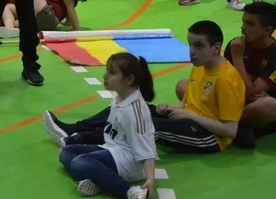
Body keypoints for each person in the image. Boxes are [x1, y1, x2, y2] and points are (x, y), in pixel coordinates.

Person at [46, 20, 245, 154]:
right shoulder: (201, 65)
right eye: (190, 44)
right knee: (131, 107)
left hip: (209, 137)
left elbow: (230, 130)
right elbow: (189, 104)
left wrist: (189, 115)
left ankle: (82, 141)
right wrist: (173, 108)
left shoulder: (226, 79)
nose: (191, 51)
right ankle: (72, 129)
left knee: (145, 126)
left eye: (198, 46)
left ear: (216, 48)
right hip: (189, 119)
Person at [54, 53, 156, 199]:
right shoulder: (118, 96)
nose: (105, 75)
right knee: (66, 152)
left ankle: (130, 192)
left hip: (129, 162)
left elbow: (147, 149)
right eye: (107, 70)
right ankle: (101, 180)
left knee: (79, 162)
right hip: (111, 149)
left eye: (112, 72)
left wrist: (150, 179)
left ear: (129, 80)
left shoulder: (135, 112)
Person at [219, 2, 276, 147]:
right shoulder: (236, 45)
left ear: (267, 30)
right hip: (234, 101)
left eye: (250, 24)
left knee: (268, 105)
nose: (243, 27)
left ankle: (218, 124)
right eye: (243, 22)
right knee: (184, 86)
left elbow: (249, 93)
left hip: (258, 110)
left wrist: (237, 58)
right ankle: (233, 129)